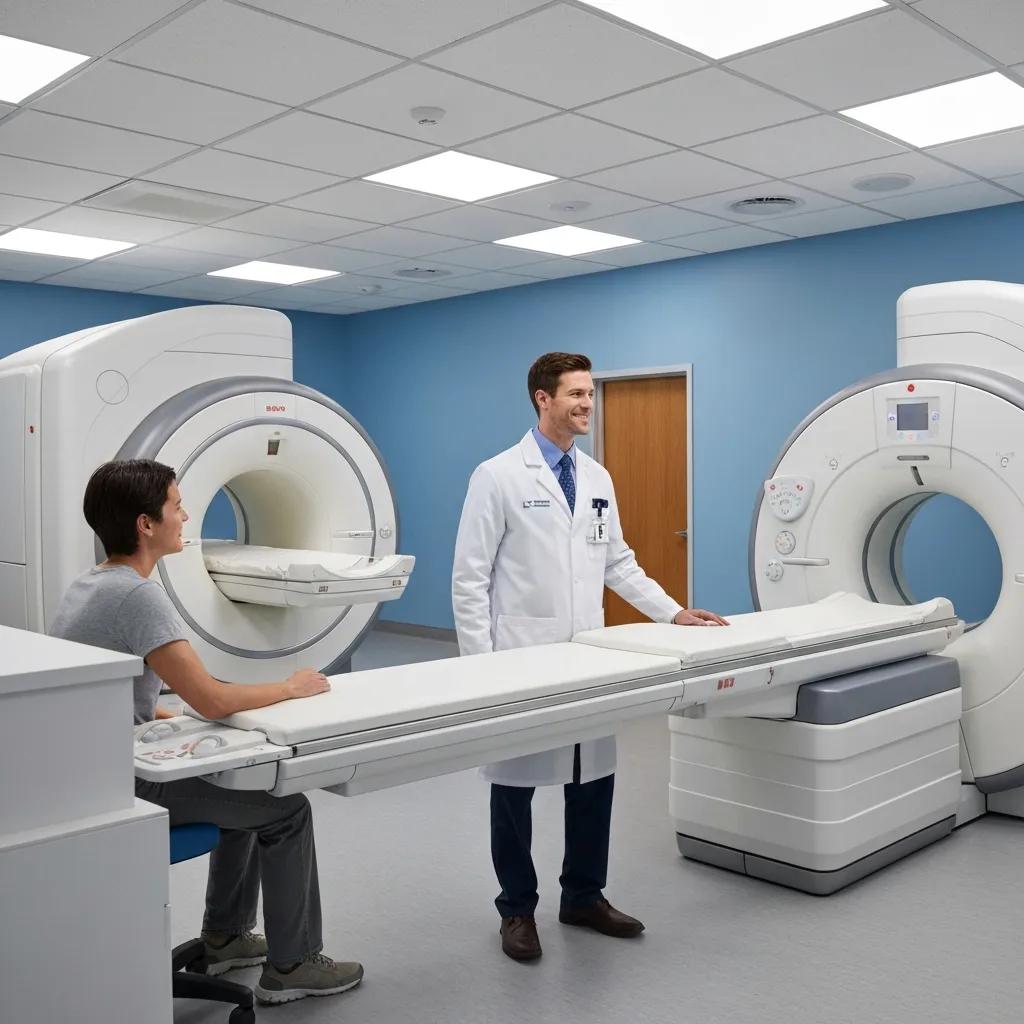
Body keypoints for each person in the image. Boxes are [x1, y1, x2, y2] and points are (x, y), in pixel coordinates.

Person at [49, 459, 362, 1006]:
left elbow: (105, 686)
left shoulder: (90, 584)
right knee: (286, 809)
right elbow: (211, 698)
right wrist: (289, 686)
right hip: (125, 782)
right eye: (176, 506)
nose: (186, 514)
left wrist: (153, 714)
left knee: (239, 782)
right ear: (146, 524)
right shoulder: (138, 596)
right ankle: (293, 966)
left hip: (85, 767)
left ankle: (227, 936)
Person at [452, 352, 727, 962]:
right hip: (520, 656)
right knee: (513, 786)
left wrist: (673, 612)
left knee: (592, 777)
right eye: (574, 394)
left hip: (587, 654)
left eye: (590, 394)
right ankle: (517, 909)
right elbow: (469, 579)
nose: (585, 405)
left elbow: (618, 562)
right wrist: (479, 666)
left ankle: (583, 895)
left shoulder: (597, 477)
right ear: (541, 399)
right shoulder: (497, 476)